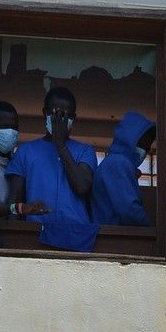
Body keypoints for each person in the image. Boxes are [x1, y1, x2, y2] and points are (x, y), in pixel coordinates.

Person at [10, 85, 99, 252]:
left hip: (77, 238)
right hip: (35, 238)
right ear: (45, 113)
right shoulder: (25, 151)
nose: (62, 121)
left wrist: (59, 144)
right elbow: (13, 204)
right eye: (57, 115)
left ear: (74, 118)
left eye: (67, 116)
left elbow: (82, 186)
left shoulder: (85, 151)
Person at [91, 113, 155, 227]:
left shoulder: (116, 162)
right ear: (130, 140)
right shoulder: (118, 164)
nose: (146, 151)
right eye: (143, 144)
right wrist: (152, 231)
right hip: (114, 237)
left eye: (148, 147)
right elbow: (129, 210)